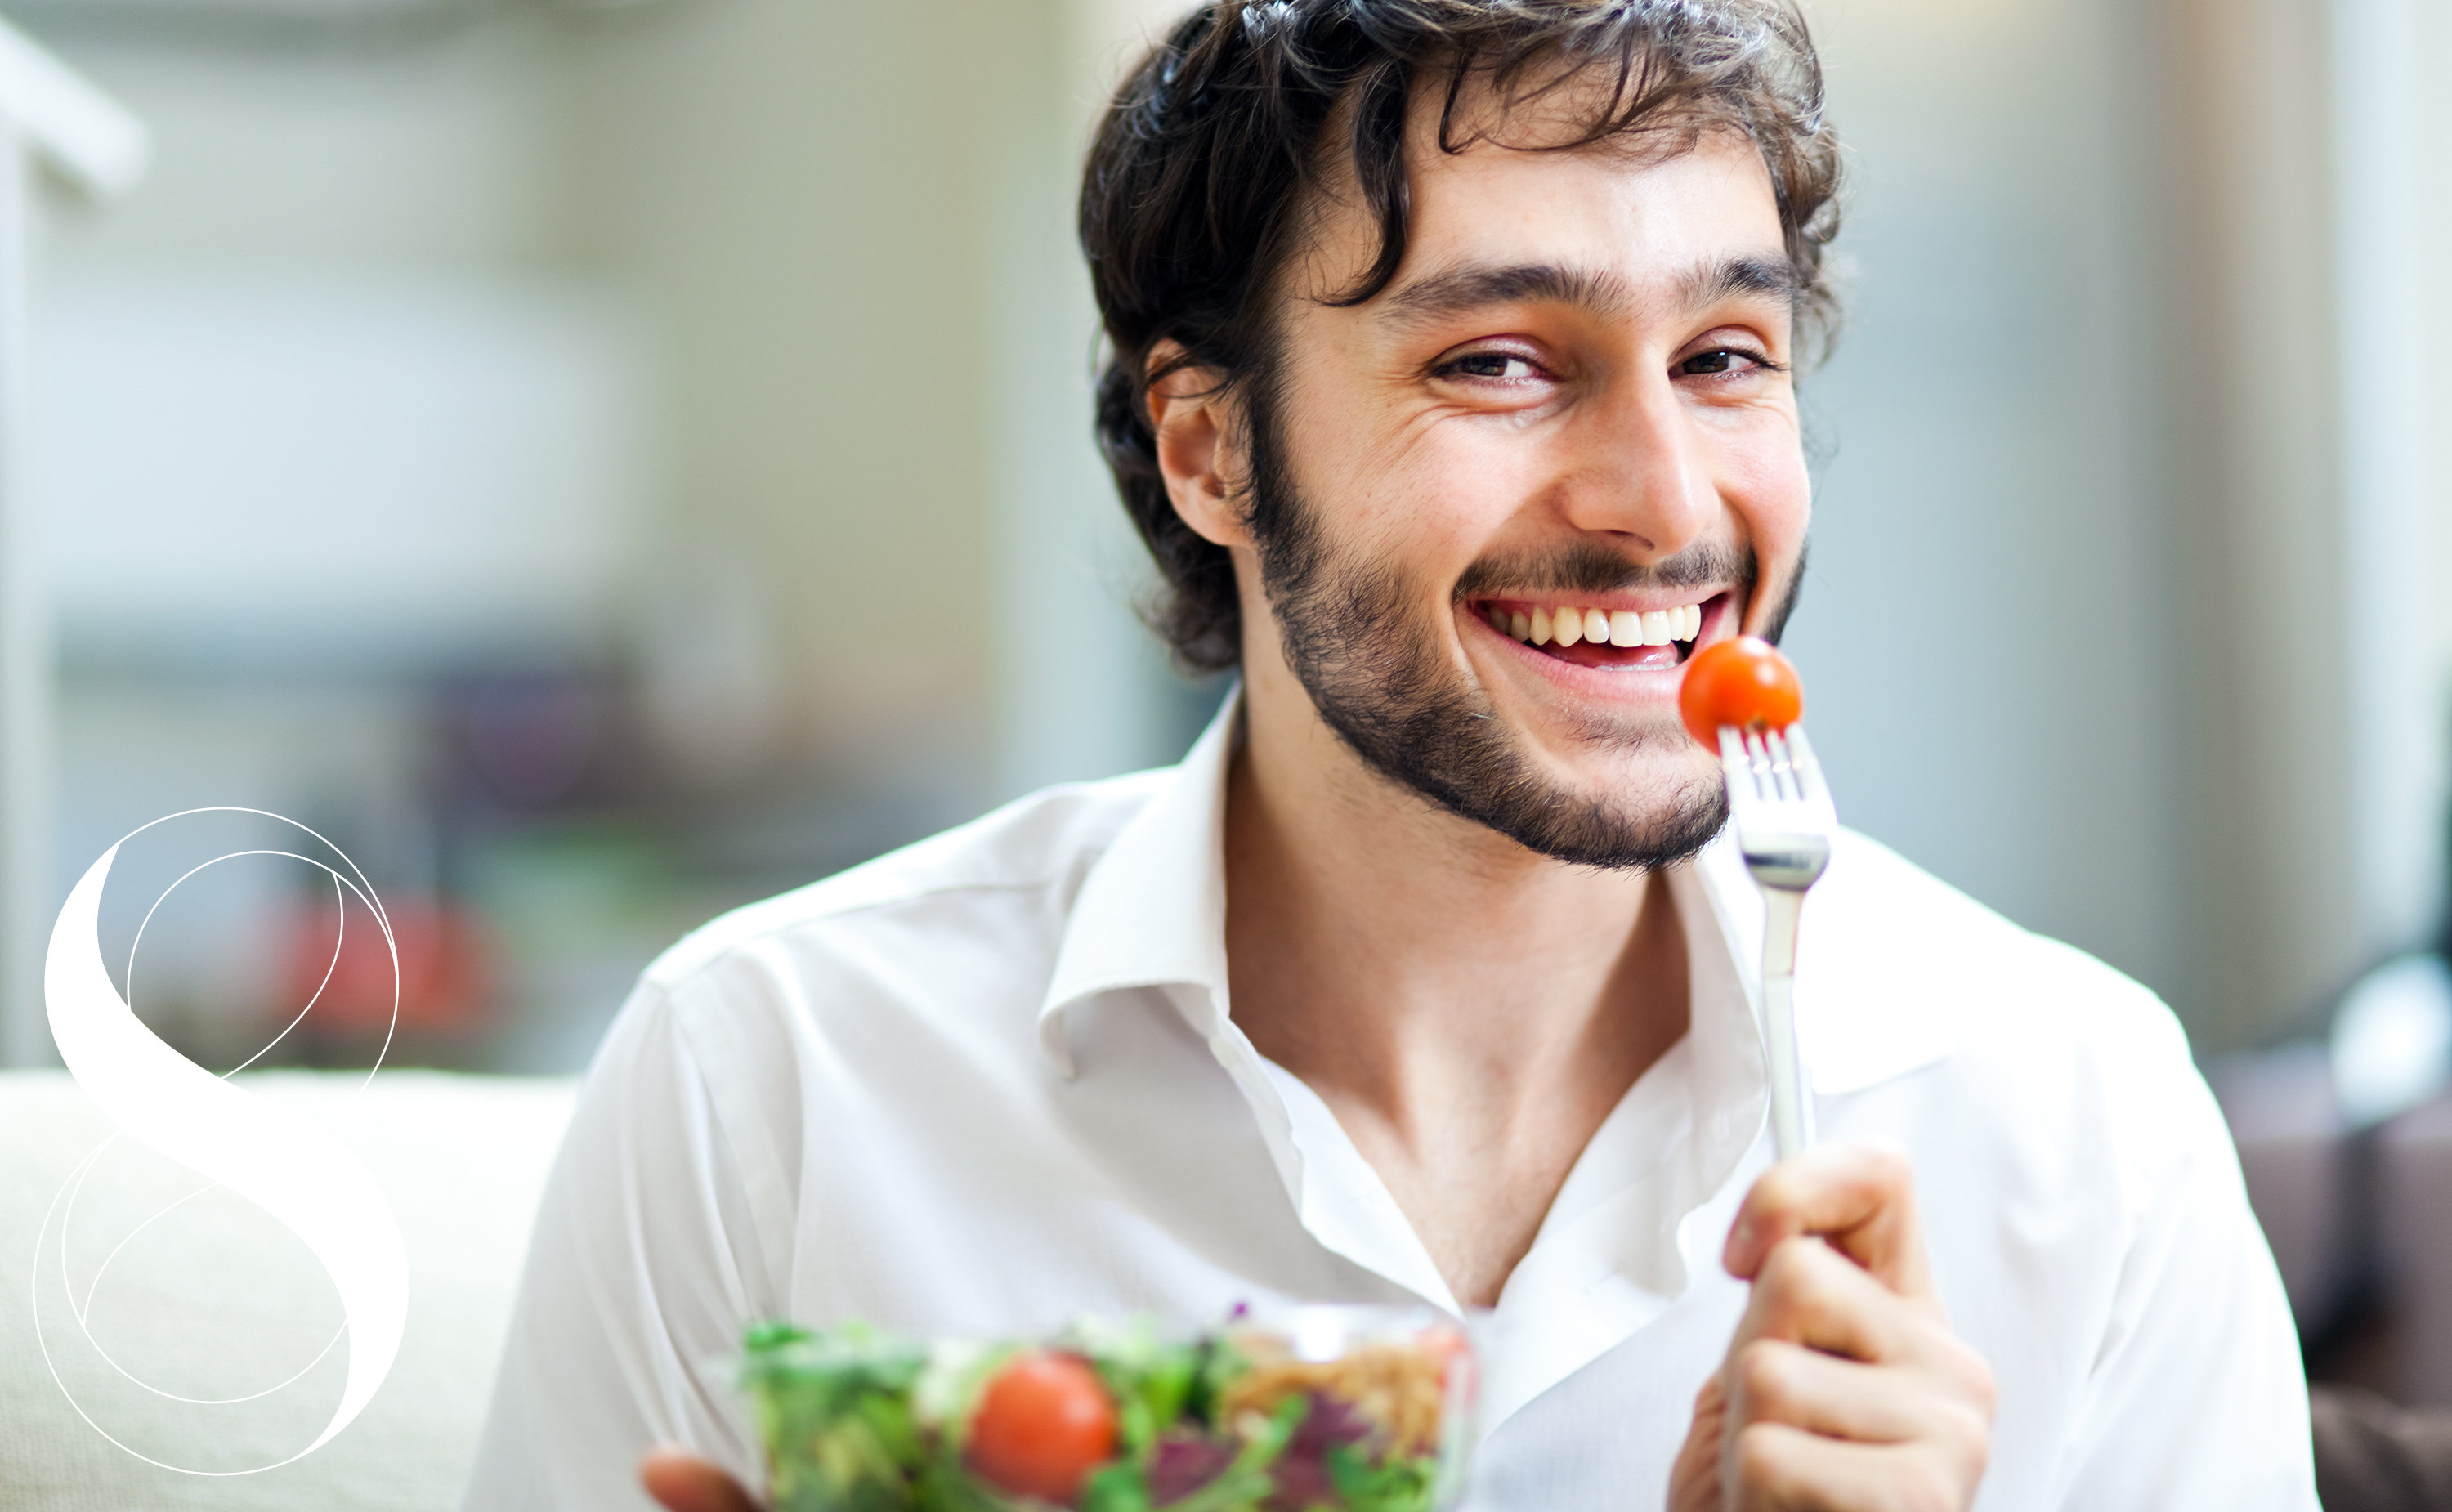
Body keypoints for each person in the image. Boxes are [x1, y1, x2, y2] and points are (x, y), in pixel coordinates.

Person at [459, 3, 2317, 1508]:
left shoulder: (2076, 1122)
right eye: (1499, 362)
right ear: (1210, 449)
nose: (1663, 502)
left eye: (1729, 354)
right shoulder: (777, 1082)